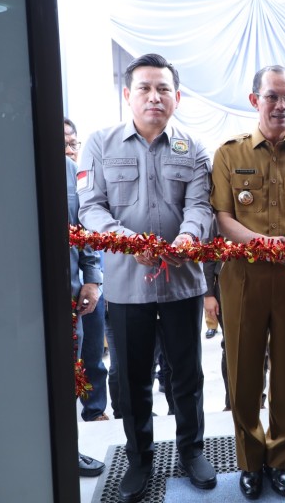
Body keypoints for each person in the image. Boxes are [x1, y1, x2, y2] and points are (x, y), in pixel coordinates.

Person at [78, 53, 216, 503]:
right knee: (130, 376)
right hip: (125, 285)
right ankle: (139, 459)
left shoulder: (193, 148)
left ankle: (192, 451)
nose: (155, 97)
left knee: (186, 374)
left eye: (163, 89)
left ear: (177, 96)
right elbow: (91, 206)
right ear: (127, 94)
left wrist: (188, 237)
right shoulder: (100, 143)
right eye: (145, 88)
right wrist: (126, 241)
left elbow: (200, 206)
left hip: (180, 282)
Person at [211, 65, 285, 499]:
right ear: (254, 100)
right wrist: (262, 243)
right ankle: (249, 460)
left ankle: (280, 459)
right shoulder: (229, 154)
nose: (281, 106)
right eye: (272, 97)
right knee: (242, 372)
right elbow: (224, 218)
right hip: (243, 278)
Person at [65, 117, 110, 422]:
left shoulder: (75, 176)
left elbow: (86, 232)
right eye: (62, 142)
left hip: (81, 285)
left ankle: (94, 411)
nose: (68, 149)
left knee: (92, 354)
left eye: (71, 142)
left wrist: (92, 280)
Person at [65, 154, 106, 477]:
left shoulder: (65, 168)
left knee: (67, 374)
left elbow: (82, 228)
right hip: (2, 299)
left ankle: (66, 450)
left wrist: (91, 278)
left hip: (67, 294)